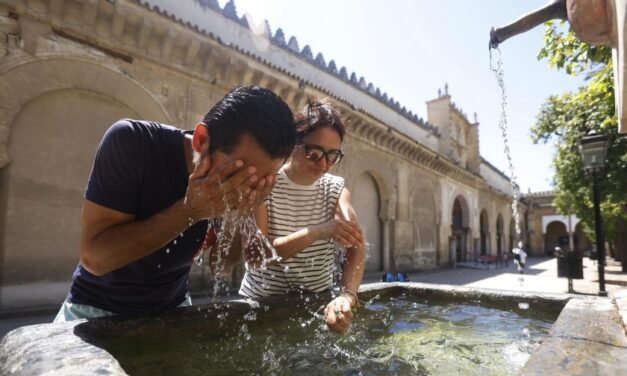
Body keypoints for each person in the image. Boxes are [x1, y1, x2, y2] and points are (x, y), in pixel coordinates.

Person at [54, 86, 297, 321]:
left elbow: (220, 267)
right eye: (237, 175)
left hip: (174, 309)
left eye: (259, 181)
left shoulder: (238, 184)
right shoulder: (134, 143)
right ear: (202, 140)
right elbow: (94, 259)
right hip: (95, 309)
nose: (243, 187)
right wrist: (190, 210)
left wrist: (240, 214)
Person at [239, 98, 366, 335]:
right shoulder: (266, 181)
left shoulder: (336, 189)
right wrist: (318, 231)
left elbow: (356, 246)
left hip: (316, 305)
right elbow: (256, 255)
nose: (324, 164)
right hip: (261, 305)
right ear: (293, 143)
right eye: (314, 152)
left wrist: (347, 296)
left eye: (332, 156)